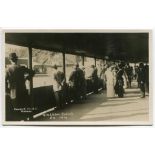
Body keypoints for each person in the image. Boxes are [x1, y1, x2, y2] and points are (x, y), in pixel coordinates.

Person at [5, 52, 35, 120]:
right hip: (22, 90)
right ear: (17, 59)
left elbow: (4, 81)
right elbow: (32, 72)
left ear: (10, 60)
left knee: (16, 109)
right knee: (24, 106)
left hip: (13, 92)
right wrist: (26, 78)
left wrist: (7, 91)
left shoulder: (8, 69)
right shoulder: (22, 67)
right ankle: (25, 119)